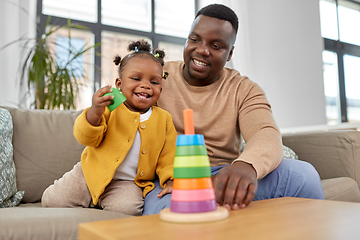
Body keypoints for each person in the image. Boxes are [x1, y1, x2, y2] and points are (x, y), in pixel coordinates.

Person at [142, 4, 325, 215]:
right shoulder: (156, 76)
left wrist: (246, 165)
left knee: (304, 176)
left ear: (230, 54)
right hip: (170, 178)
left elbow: (264, 132)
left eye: (216, 45)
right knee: (173, 214)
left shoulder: (243, 88)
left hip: (224, 175)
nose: (201, 49)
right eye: (195, 39)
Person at [41, 40, 177, 216]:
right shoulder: (110, 106)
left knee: (127, 210)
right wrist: (95, 111)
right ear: (119, 84)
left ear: (161, 88)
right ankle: (93, 199)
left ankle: (100, 202)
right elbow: (86, 137)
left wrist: (172, 180)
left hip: (126, 182)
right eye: (136, 78)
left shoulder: (163, 119)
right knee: (52, 200)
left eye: (154, 82)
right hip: (90, 173)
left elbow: (169, 156)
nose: (146, 85)